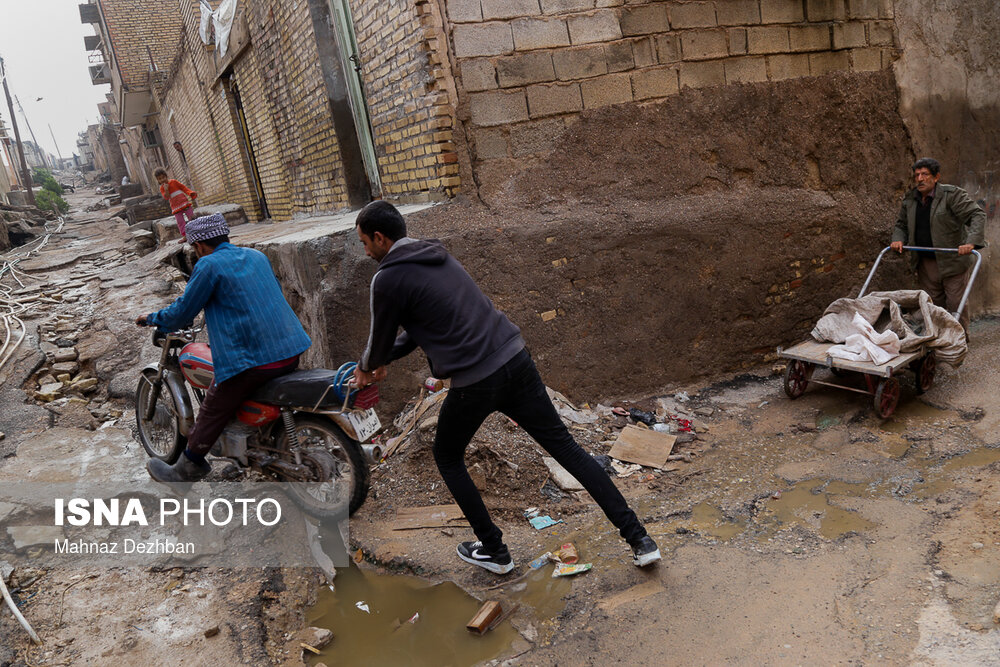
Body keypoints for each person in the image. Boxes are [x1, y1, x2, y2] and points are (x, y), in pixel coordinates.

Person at [352, 201, 660, 573]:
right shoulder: (436, 256)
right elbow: (419, 331)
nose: (365, 251)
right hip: (515, 358)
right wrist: (380, 361)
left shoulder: (386, 278)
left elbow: (379, 342)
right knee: (567, 449)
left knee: (447, 457)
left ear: (381, 238)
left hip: (476, 380)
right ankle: (640, 539)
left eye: (365, 242)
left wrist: (367, 367)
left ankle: (496, 552)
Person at [135, 213, 311, 482]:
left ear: (201, 246)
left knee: (213, 406)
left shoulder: (208, 266)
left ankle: (189, 466)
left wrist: (152, 318)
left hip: (255, 362)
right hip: (290, 350)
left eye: (195, 248)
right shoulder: (256, 256)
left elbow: (182, 312)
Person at [891, 157, 986, 334]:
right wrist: (898, 238)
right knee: (932, 306)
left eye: (925, 174)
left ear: (936, 177)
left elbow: (976, 215)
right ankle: (935, 342)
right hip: (926, 263)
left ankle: (958, 343)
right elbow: (901, 225)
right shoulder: (911, 199)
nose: (919, 179)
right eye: (917, 175)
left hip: (952, 261)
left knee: (956, 305)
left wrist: (970, 242)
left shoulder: (951, 195)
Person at [154, 167, 198, 242]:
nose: (162, 180)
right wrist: (166, 189)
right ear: (158, 180)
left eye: (163, 177)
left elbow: (183, 188)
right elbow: (166, 197)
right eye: (160, 179)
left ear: (166, 176)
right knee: (180, 222)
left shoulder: (174, 182)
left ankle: (196, 232)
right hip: (175, 207)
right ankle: (185, 236)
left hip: (184, 203)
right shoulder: (162, 188)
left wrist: (190, 193)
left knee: (191, 218)